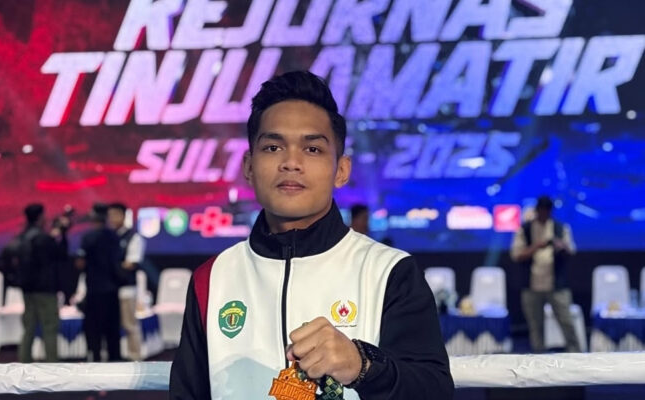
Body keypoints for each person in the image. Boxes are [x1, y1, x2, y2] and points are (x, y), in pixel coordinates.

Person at [170, 71, 453, 399]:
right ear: (248, 166)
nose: (291, 162)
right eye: (273, 147)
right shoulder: (212, 278)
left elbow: (434, 390)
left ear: (341, 170)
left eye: (313, 149)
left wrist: (363, 366)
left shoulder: (389, 271)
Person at [510, 196, 581, 353]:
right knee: (535, 327)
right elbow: (516, 255)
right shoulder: (525, 229)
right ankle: (538, 358)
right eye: (541, 210)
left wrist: (561, 246)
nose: (544, 213)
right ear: (537, 210)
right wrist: (537, 246)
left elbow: (571, 251)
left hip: (556, 285)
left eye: (547, 211)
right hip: (532, 286)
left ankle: (576, 355)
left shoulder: (560, 228)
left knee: (567, 322)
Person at [12, 204, 68, 362]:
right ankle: (52, 366)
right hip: (45, 290)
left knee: (29, 328)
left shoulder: (22, 236)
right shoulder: (43, 238)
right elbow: (60, 255)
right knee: (50, 327)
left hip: (28, 290)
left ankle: (24, 364)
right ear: (40, 217)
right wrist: (62, 233)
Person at [76, 204, 122, 361]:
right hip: (112, 288)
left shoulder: (88, 237)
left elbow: (80, 263)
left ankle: (95, 360)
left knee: (93, 329)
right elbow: (118, 262)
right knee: (112, 330)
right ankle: (115, 361)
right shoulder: (114, 237)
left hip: (94, 289)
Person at [107, 202, 145, 361]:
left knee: (129, 325)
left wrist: (110, 265)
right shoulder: (108, 236)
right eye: (110, 215)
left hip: (126, 289)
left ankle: (135, 358)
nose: (112, 218)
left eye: (115, 215)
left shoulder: (133, 237)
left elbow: (131, 263)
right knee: (110, 327)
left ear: (123, 216)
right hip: (109, 289)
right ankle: (113, 358)